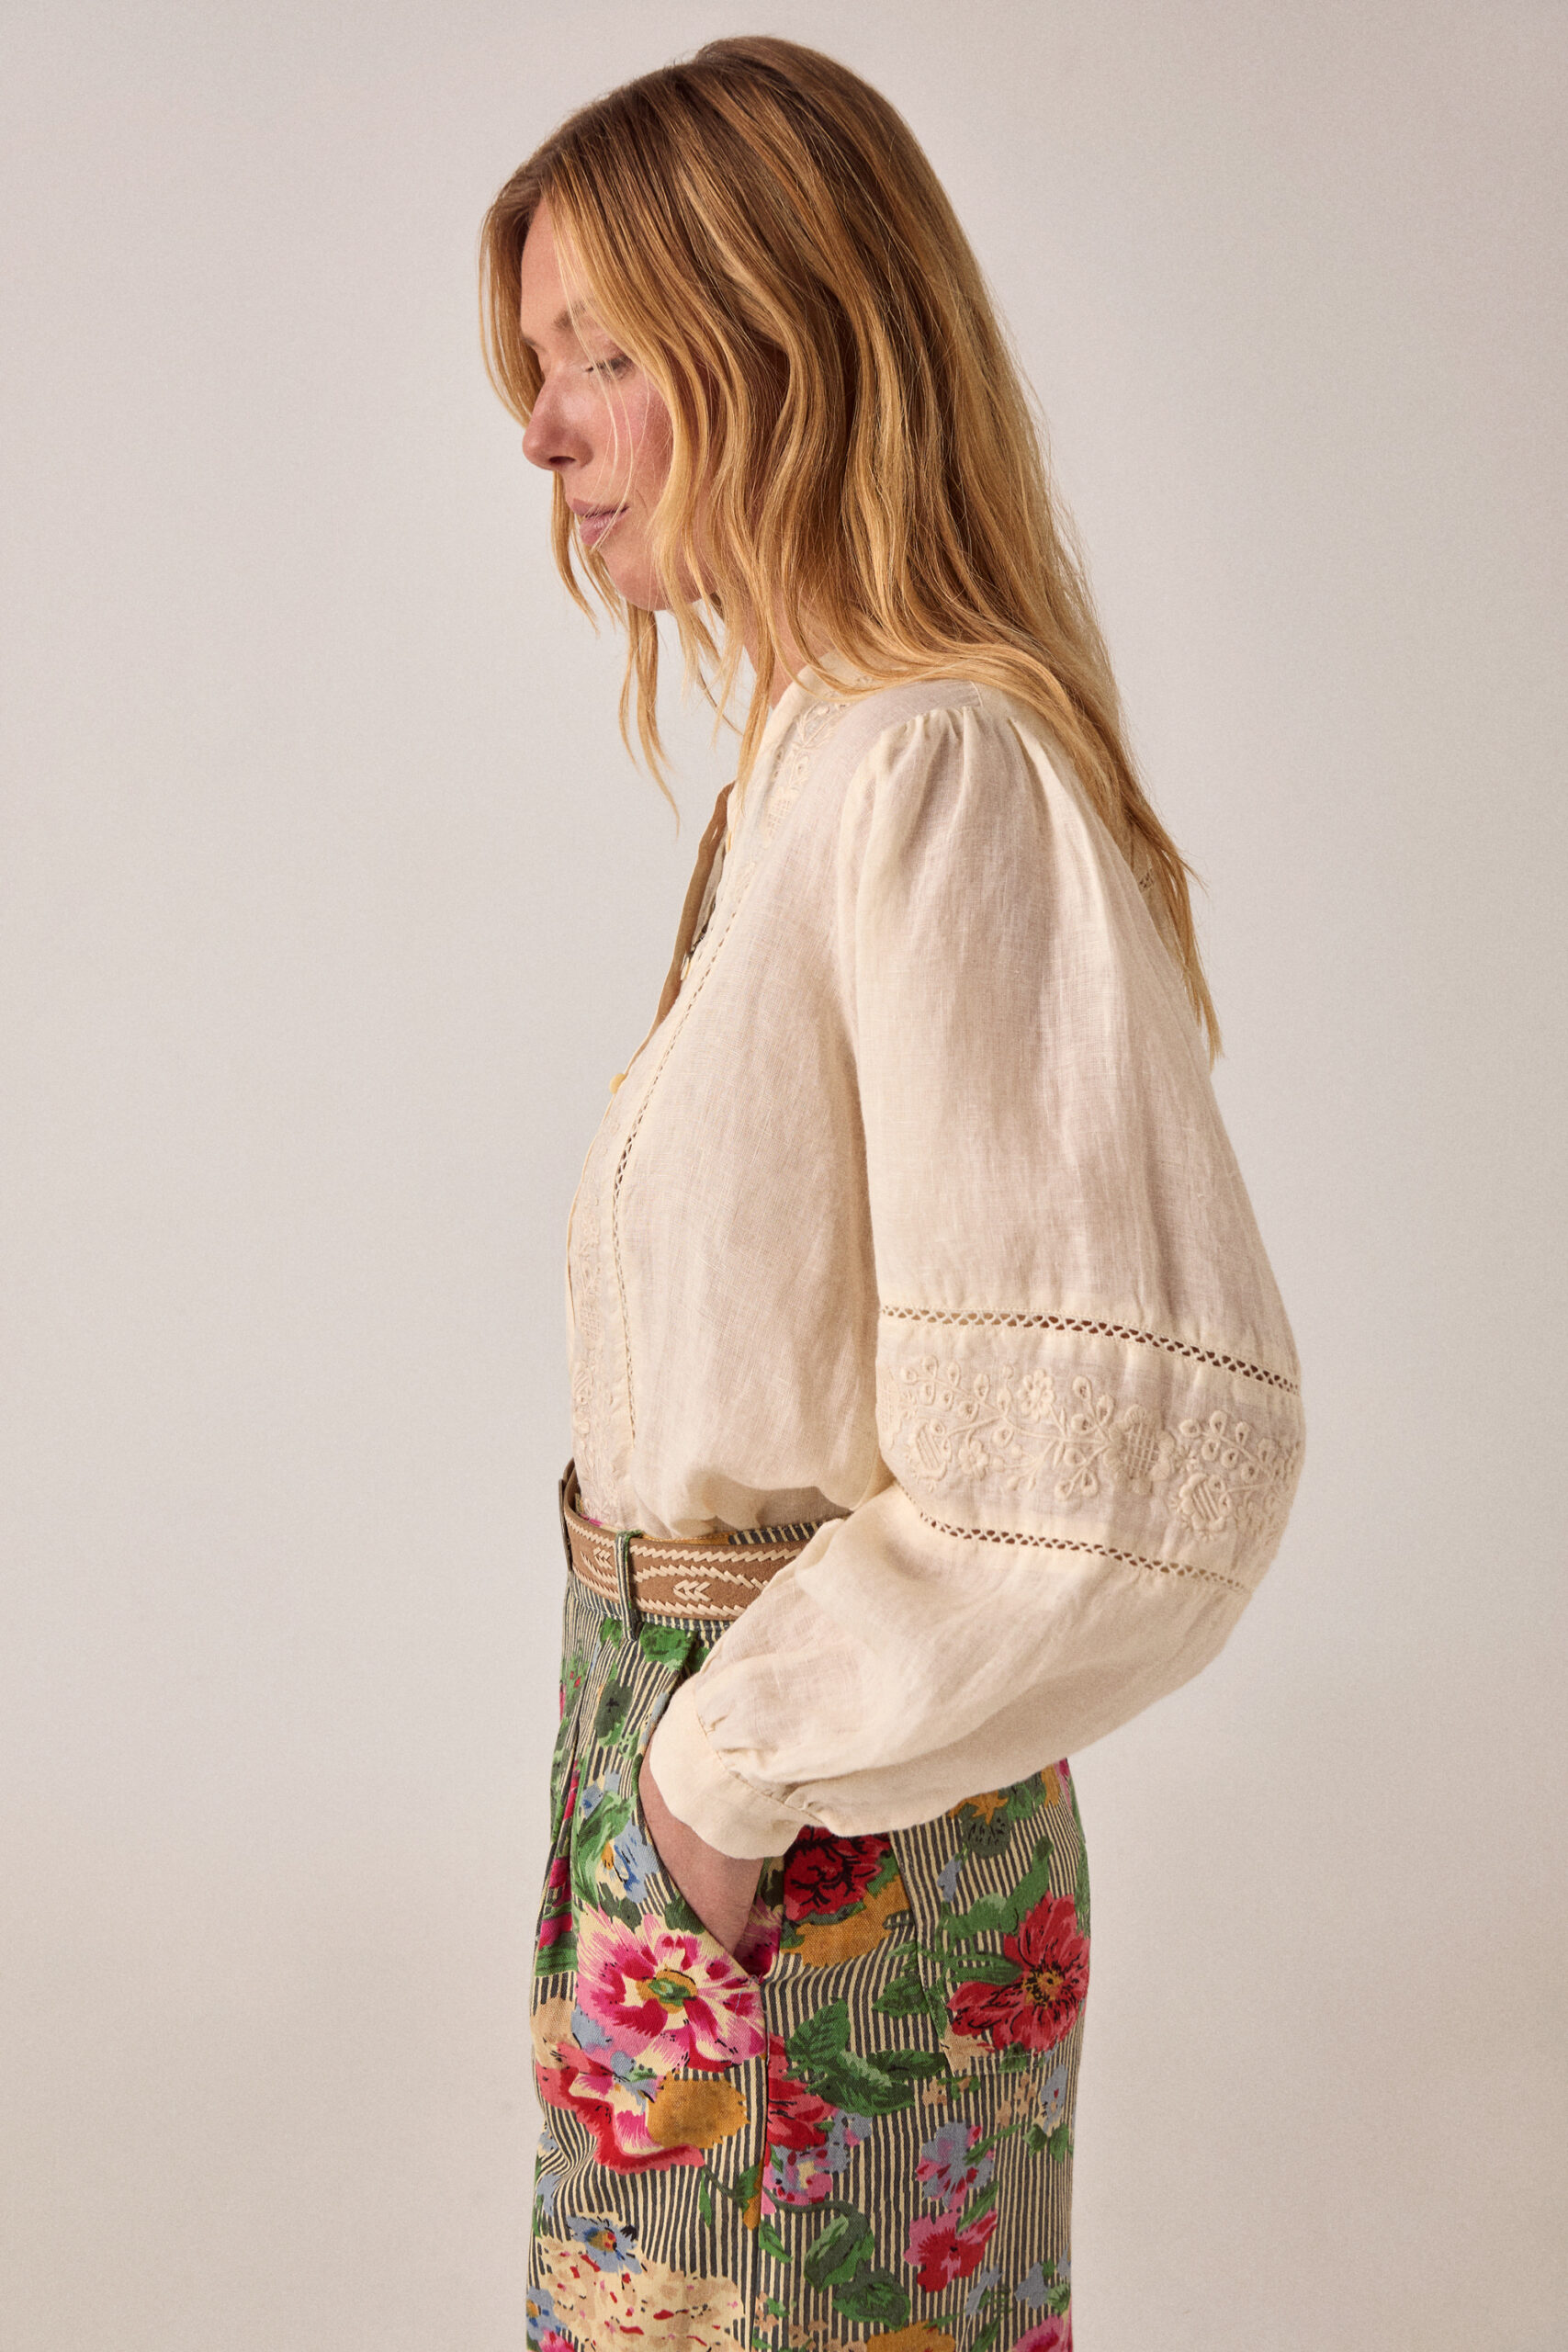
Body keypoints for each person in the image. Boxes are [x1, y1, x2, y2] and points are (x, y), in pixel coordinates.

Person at [480, 36, 1303, 2352]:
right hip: (712, 1793)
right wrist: (660, 1798)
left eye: (596, 356)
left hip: (811, 1833)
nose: (538, 432)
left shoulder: (931, 767)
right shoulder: (809, 765)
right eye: (535, 366)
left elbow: (1109, 1481)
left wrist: (716, 1781)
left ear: (779, 341)